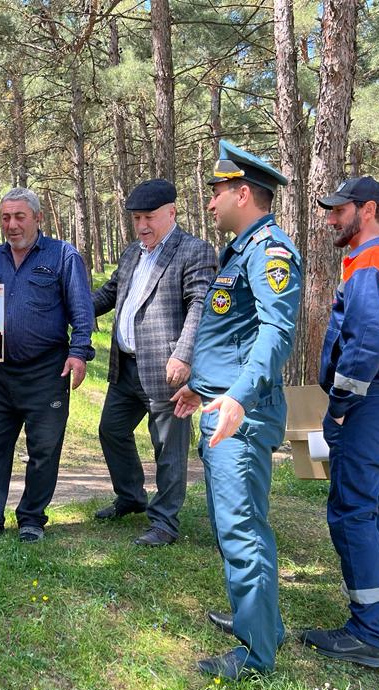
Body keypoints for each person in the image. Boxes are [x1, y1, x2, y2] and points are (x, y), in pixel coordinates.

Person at [172, 140, 302, 679]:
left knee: (242, 529)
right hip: (222, 404)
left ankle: (255, 655)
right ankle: (258, 621)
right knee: (238, 525)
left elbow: (276, 332)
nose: (210, 203)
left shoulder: (271, 251)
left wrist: (237, 399)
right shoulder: (241, 251)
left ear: (243, 193)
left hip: (241, 415)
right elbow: (233, 337)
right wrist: (202, 388)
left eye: (218, 192)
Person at [299, 177, 379, 669]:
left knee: (352, 510)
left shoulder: (371, 263)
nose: (331, 219)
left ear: (367, 210)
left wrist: (338, 405)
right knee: (377, 506)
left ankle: (368, 630)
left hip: (368, 404)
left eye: (339, 210)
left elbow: (365, 343)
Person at [0, 188, 95, 543]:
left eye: (20, 216)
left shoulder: (63, 255)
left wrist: (79, 352)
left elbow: (82, 309)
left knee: (44, 447)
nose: (12, 224)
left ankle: (32, 519)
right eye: (6, 217)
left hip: (47, 370)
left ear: (38, 218)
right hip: (0, 372)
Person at [92, 179, 216, 546]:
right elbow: (109, 294)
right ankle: (131, 496)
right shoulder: (133, 253)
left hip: (167, 369)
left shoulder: (194, 250)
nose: (143, 225)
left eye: (150, 217)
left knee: (169, 448)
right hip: (126, 368)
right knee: (111, 430)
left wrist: (184, 354)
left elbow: (200, 306)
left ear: (172, 212)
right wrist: (69, 309)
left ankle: (164, 522)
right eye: (136, 218)